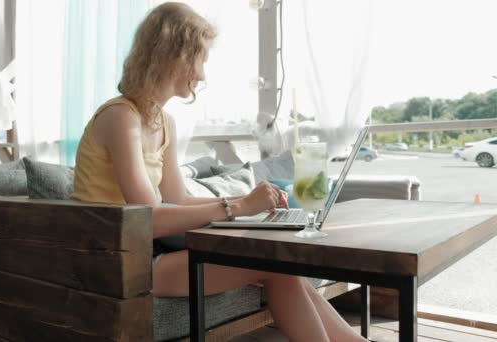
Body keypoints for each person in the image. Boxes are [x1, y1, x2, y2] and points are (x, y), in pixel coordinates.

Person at [72, 3, 366, 341]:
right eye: (201, 60)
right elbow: (146, 219)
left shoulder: (163, 122)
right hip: (113, 262)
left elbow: (177, 198)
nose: (202, 75)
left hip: (146, 254)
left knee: (283, 271)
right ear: (176, 55)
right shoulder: (120, 117)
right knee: (274, 267)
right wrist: (237, 208)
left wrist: (247, 199)